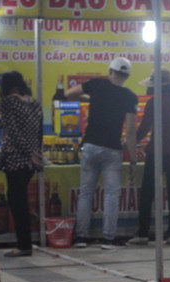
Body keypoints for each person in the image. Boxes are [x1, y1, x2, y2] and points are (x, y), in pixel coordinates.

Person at [66, 56, 138, 249]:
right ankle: (108, 239)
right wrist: (133, 160)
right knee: (111, 195)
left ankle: (81, 237)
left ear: (110, 72)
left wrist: (91, 98)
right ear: (127, 76)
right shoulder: (129, 97)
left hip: (90, 146)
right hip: (112, 150)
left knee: (85, 193)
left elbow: (69, 93)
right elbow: (130, 132)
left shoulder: (96, 85)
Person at [128, 68, 170, 246]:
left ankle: (143, 233)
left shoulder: (153, 103)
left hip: (156, 153)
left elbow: (143, 129)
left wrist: (129, 141)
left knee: (148, 194)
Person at [0, 70, 43, 257]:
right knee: (21, 201)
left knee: (17, 203)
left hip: (16, 159)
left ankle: (24, 245)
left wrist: (28, 153)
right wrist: (36, 154)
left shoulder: (8, 102)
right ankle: (25, 244)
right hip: (31, 162)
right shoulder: (35, 103)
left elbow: (13, 133)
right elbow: (39, 133)